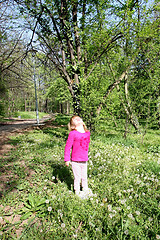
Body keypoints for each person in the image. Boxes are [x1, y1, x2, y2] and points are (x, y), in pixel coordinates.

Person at [64, 115, 92, 198]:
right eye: (75, 120)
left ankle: (85, 189)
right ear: (73, 125)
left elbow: (85, 144)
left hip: (84, 159)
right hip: (75, 160)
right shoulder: (72, 133)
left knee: (84, 176)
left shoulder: (87, 133)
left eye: (79, 118)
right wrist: (67, 159)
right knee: (77, 177)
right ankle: (77, 191)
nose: (78, 119)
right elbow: (68, 147)